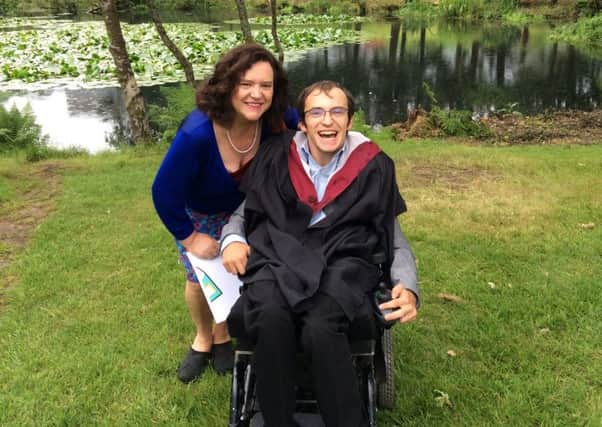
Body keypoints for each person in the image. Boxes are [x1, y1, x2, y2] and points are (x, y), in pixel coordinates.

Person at [221, 80, 419, 427]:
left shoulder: (373, 165)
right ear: (303, 122)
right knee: (270, 317)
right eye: (316, 112)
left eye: (337, 111)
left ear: (350, 120)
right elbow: (245, 212)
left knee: (320, 327)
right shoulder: (276, 156)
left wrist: (408, 284)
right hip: (278, 254)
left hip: (343, 260)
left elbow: (390, 232)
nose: (327, 120)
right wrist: (233, 239)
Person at [151, 43, 298, 384]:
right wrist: (190, 236)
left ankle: (224, 334)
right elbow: (163, 192)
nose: (256, 94)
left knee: (241, 272)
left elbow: (313, 124)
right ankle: (205, 338)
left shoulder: (278, 117)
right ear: (227, 85)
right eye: (246, 84)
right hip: (199, 214)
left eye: (266, 85)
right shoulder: (196, 134)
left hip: (250, 207)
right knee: (199, 279)